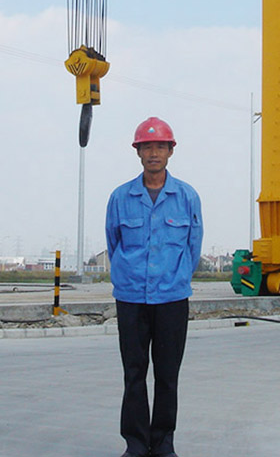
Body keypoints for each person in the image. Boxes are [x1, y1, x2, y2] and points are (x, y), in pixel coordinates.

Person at [105, 117, 203, 457]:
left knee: (167, 376)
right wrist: (129, 277)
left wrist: (173, 280)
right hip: (131, 298)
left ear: (170, 151)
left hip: (172, 299)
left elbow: (193, 248)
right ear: (138, 152)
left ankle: (163, 443)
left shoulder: (187, 197)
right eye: (147, 147)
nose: (154, 153)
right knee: (133, 374)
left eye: (160, 146)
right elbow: (114, 244)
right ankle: (135, 444)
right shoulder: (120, 198)